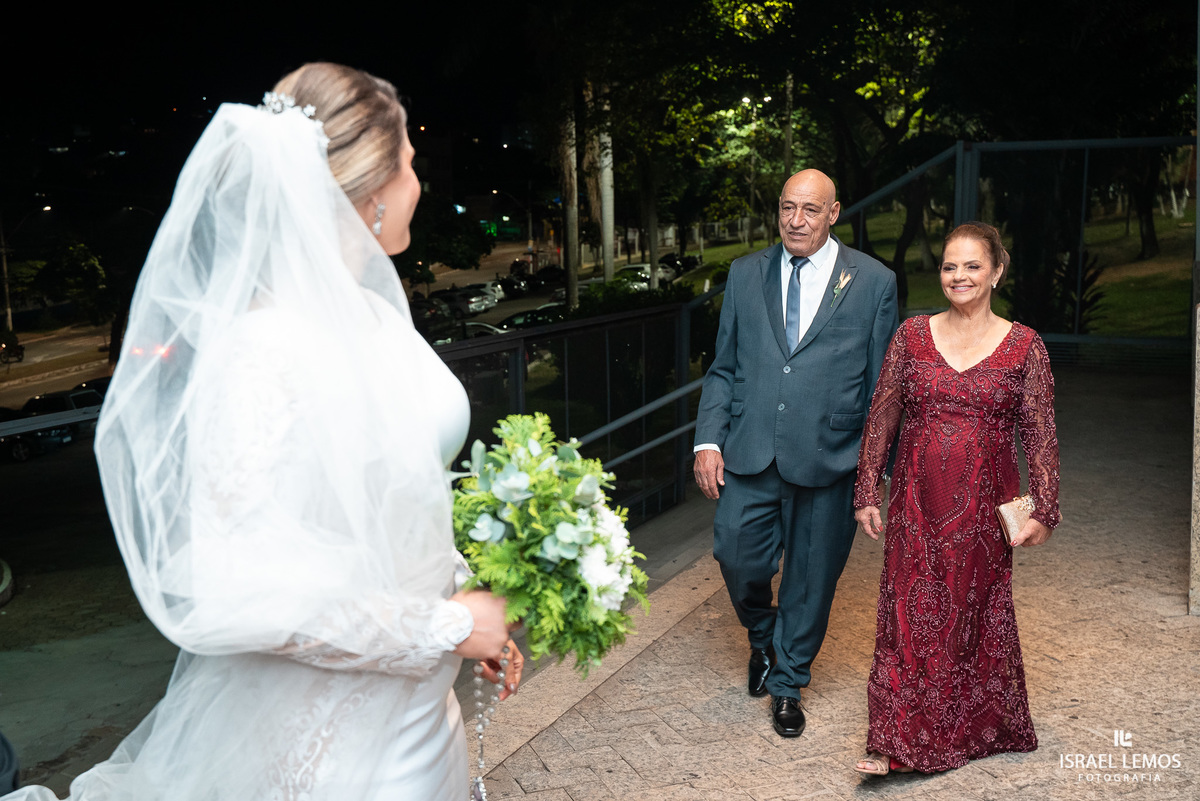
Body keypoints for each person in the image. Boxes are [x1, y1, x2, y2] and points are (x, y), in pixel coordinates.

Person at [4, 63, 521, 801]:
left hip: (420, 713)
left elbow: (395, 504)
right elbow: (233, 590)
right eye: (409, 162)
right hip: (339, 748)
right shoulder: (262, 351)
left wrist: (474, 606)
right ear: (371, 187)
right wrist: (442, 626)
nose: (419, 181)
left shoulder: (376, 316)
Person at [693, 169, 898, 738]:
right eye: (787, 208)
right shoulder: (745, 273)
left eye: (810, 209)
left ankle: (787, 683)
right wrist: (708, 439)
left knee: (812, 580)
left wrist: (873, 476)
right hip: (751, 451)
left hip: (830, 457)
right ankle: (763, 639)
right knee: (737, 556)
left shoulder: (873, 281)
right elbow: (725, 367)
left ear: (834, 213)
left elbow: (884, 387)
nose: (796, 220)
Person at [851, 221, 1060, 776]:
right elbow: (884, 414)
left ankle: (968, 728)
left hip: (984, 509)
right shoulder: (911, 335)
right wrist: (867, 486)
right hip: (916, 505)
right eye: (949, 266)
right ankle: (894, 741)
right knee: (908, 612)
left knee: (971, 614)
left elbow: (1040, 431)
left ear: (996, 270)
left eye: (972, 265)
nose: (959, 276)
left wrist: (1044, 508)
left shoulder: (1025, 346)